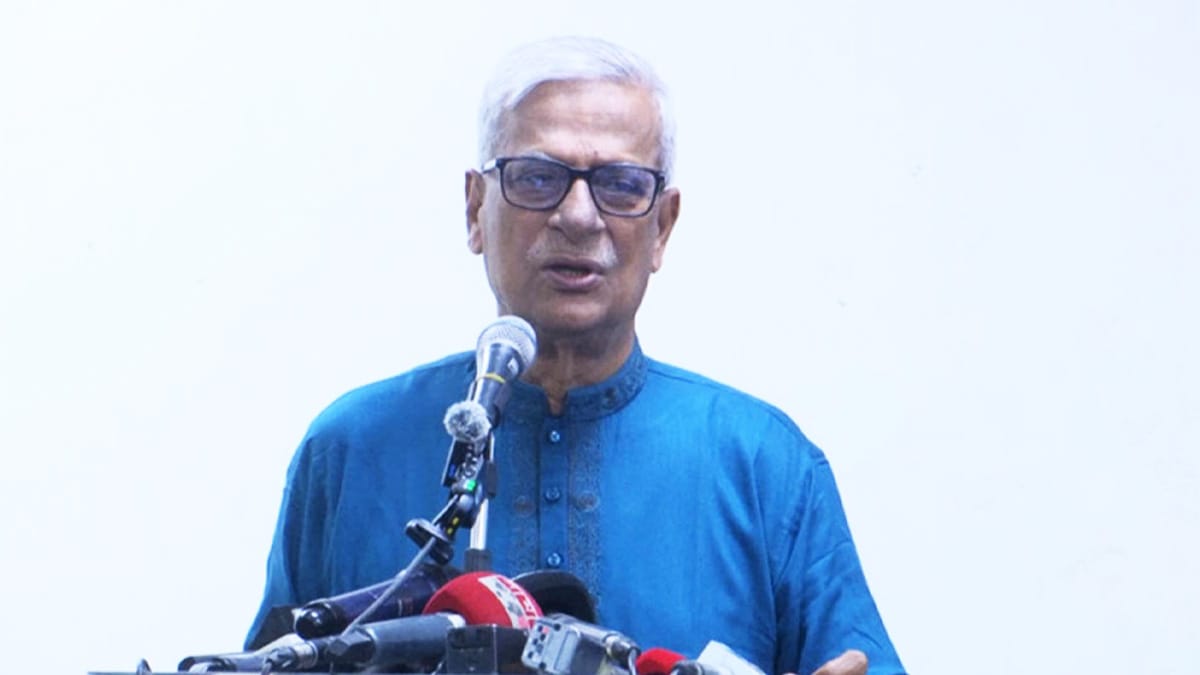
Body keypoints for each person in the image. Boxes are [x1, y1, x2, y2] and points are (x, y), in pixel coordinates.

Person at [247, 36, 906, 675]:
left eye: (620, 184)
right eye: (539, 178)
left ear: (662, 226)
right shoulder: (352, 449)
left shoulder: (765, 464)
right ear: (476, 210)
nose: (580, 216)